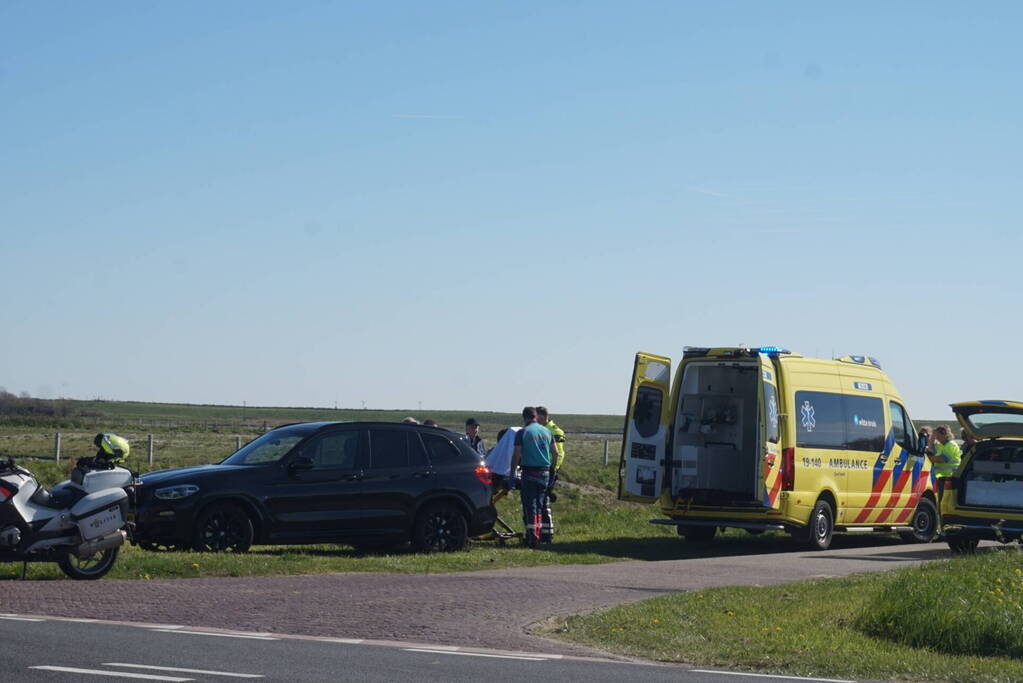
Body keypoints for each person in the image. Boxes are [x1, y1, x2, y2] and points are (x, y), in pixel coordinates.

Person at [509, 406, 557, 548]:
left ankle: (532, 538)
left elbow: (516, 454)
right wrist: (552, 470)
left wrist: (512, 474)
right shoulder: (547, 431)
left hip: (529, 472)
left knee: (531, 507)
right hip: (545, 472)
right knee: (541, 505)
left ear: (524, 418)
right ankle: (541, 535)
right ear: (536, 416)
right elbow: (555, 453)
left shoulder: (523, 432)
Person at [534, 406, 565, 542]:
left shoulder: (555, 431)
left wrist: (552, 470)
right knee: (540, 502)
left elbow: (558, 454)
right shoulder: (541, 430)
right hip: (541, 469)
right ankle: (541, 533)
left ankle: (547, 535)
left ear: (541, 417)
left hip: (548, 470)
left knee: (544, 503)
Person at [929, 424, 962, 502]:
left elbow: (942, 459)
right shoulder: (941, 445)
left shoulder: (951, 445)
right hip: (940, 476)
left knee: (944, 500)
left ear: (944, 434)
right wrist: (932, 437)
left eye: (938, 435)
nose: (937, 437)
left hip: (949, 477)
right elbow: (930, 448)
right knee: (939, 500)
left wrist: (928, 458)